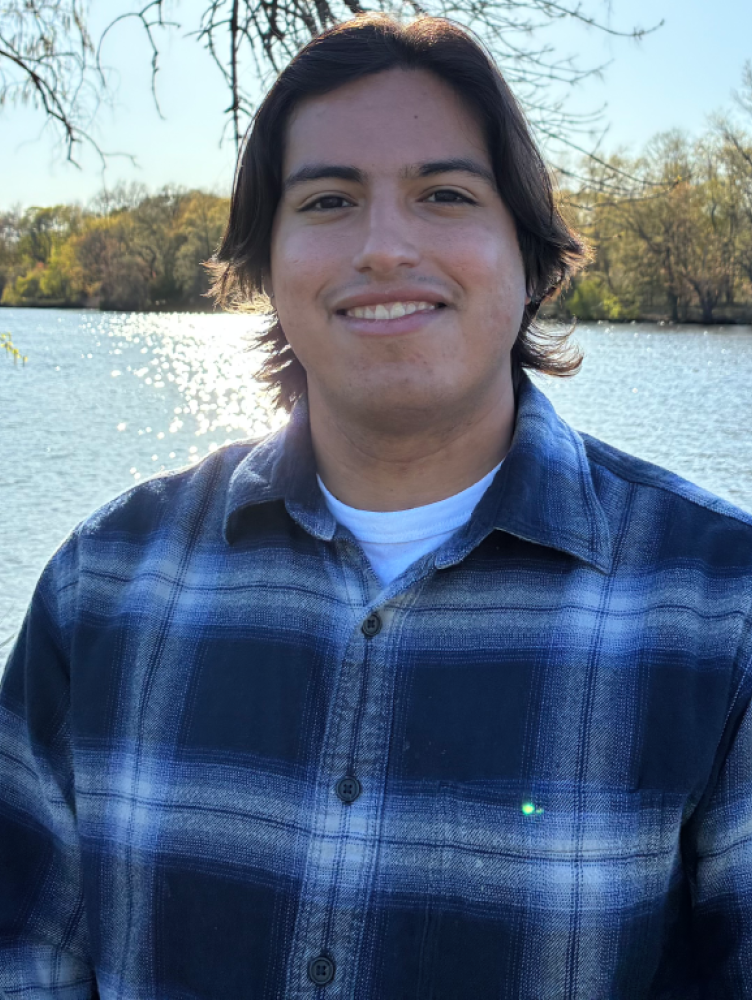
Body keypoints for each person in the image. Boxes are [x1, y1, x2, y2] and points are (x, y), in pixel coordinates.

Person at [1, 13, 751, 999]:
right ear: (264, 267)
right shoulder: (104, 584)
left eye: (443, 194)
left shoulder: (716, 603)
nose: (384, 246)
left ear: (528, 259)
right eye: (326, 200)